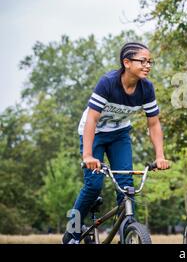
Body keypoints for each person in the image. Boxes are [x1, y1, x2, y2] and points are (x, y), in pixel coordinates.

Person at [62, 42, 170, 244]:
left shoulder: (146, 88)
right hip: (94, 133)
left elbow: (154, 124)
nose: (148, 65)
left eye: (150, 62)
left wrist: (160, 156)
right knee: (93, 186)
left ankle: (127, 233)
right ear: (126, 62)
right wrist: (87, 155)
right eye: (143, 61)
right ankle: (73, 231)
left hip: (120, 135)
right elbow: (92, 120)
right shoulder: (108, 83)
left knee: (126, 186)